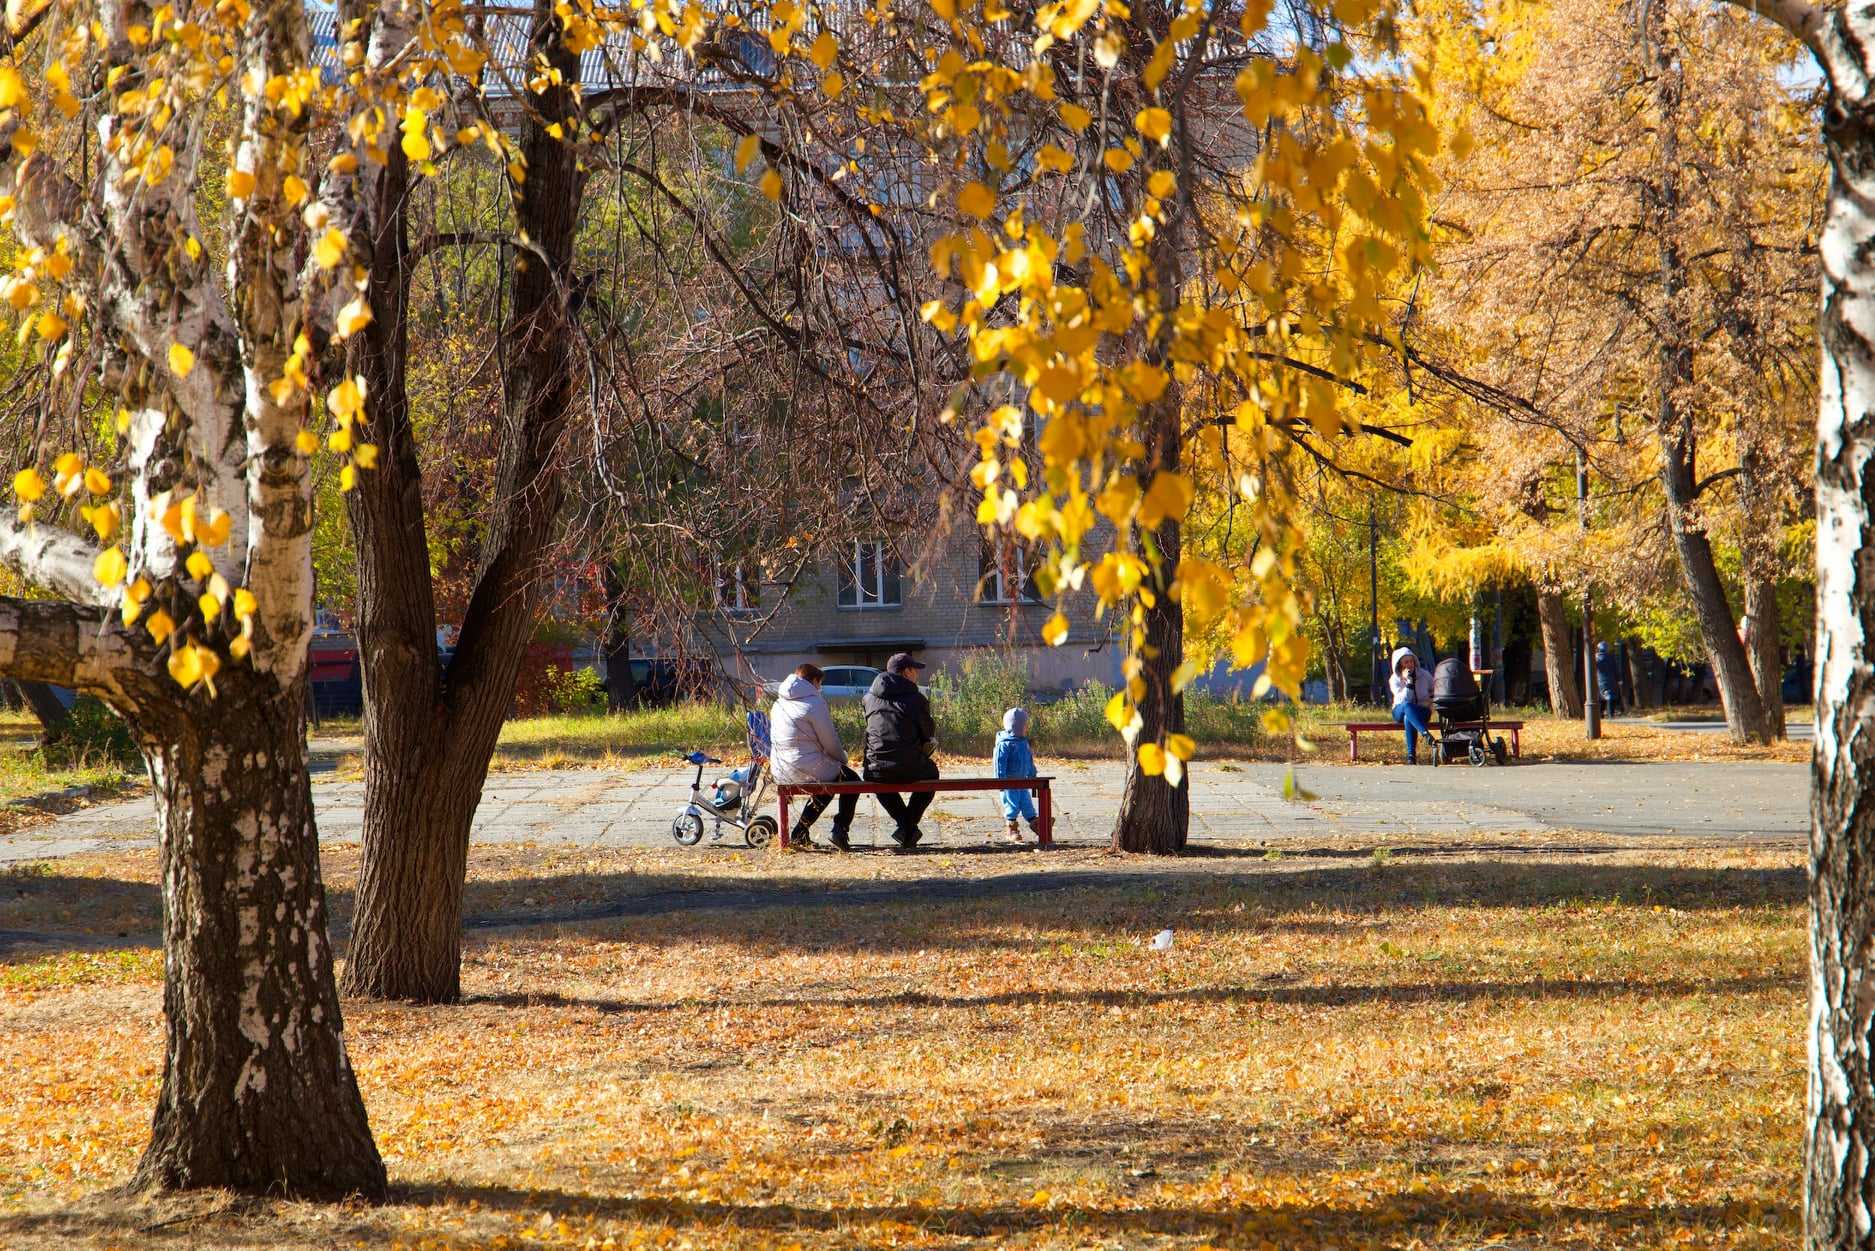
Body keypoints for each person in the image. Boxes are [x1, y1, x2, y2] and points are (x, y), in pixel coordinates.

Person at [769, 663, 857, 851]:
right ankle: (839, 830)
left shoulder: (778, 703)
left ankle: (800, 833)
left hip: (781, 767)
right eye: (820, 684)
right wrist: (843, 759)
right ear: (814, 681)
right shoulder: (814, 703)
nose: (820, 688)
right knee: (851, 779)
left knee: (828, 783)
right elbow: (830, 742)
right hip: (805, 766)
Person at [862, 653, 938, 849]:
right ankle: (908, 827)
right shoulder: (916, 698)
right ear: (906, 672)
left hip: (875, 766)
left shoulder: (869, 698)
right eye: (915, 670)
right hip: (908, 765)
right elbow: (928, 731)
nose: (917, 675)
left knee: (876, 779)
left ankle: (906, 828)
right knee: (932, 774)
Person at [993, 707, 1042, 843]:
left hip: (1023, 782)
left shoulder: (1024, 743)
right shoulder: (1005, 744)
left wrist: (1032, 775)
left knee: (1027, 805)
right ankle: (1011, 828)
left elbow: (1029, 760)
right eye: (1024, 725)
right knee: (1012, 805)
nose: (1026, 728)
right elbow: (999, 763)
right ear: (1015, 726)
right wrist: (999, 781)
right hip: (1009, 783)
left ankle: (1036, 824)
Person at [1389, 646, 1433, 764]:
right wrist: (1409, 682)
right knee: (1407, 706)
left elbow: (1434, 691)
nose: (1410, 664)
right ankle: (1425, 733)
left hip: (1421, 711)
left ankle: (1411, 756)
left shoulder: (1425, 675)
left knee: (1408, 716)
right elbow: (1404, 699)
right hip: (1400, 709)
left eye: (1412, 661)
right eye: (1406, 662)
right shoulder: (1394, 679)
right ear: (1400, 665)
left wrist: (1430, 702)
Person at [1595, 641, 1624, 718]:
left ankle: (1600, 714)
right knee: (1611, 696)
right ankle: (1611, 714)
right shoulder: (1611, 657)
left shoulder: (1596, 658)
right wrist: (1619, 679)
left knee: (1601, 697)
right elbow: (1616, 669)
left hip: (1599, 680)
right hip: (1611, 680)